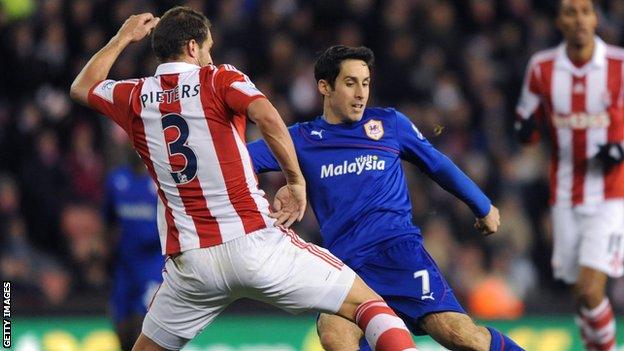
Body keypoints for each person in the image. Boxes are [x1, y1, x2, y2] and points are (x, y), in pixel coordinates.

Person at [69, 6, 417, 351]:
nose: (210, 55)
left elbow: (82, 86)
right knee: (367, 305)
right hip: (253, 243)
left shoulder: (134, 96)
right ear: (193, 47)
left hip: (192, 265)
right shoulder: (219, 78)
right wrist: (295, 180)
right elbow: (267, 117)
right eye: (207, 47)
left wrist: (122, 37)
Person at [248, 45, 524, 350]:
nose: (360, 93)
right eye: (350, 83)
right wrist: (292, 178)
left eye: (365, 83)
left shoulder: (390, 125)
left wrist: (482, 205)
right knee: (334, 336)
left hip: (399, 254)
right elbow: (237, 161)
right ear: (324, 87)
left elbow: (437, 164)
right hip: (347, 267)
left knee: (462, 336)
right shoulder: (301, 139)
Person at [515, 0, 624, 350]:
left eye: (585, 11)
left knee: (593, 290)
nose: (579, 19)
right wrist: (525, 131)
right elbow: (526, 122)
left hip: (610, 193)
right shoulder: (542, 67)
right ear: (559, 22)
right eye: (570, 12)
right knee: (580, 295)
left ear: (595, 18)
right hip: (564, 195)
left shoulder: (619, 65)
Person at [104, 148, 164, 351]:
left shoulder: (159, 183)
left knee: (142, 321)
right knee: (119, 320)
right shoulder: (116, 180)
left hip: (152, 263)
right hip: (125, 263)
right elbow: (109, 221)